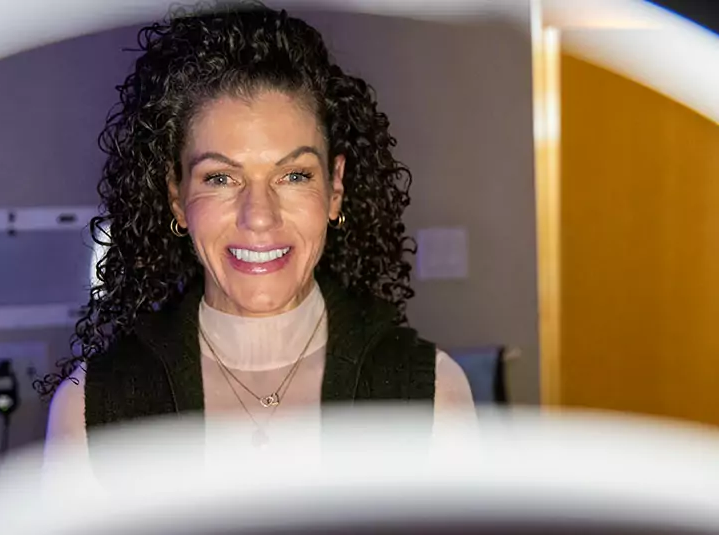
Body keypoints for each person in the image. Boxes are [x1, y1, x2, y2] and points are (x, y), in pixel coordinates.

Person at [42, 1, 474, 454]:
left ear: (335, 188)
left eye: (294, 176)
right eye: (220, 178)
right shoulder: (90, 410)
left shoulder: (431, 396)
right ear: (177, 198)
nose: (260, 216)